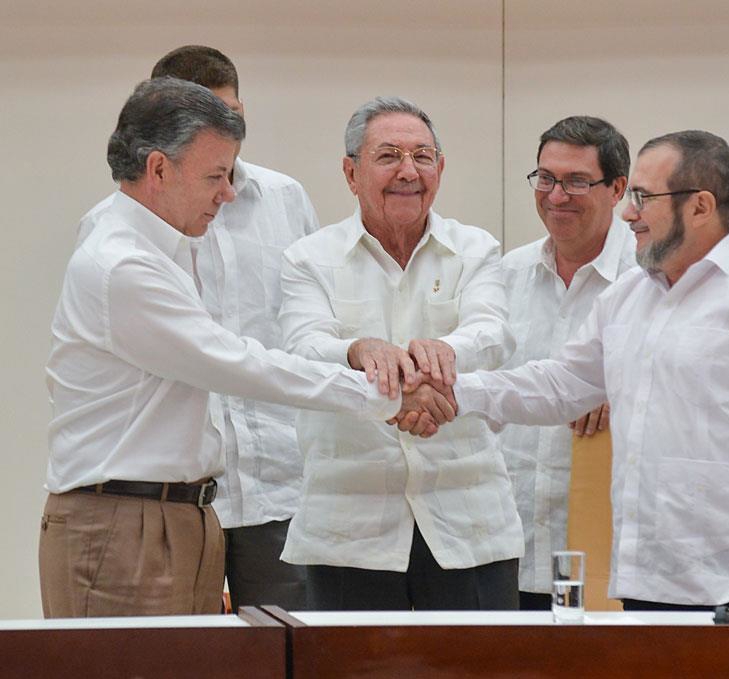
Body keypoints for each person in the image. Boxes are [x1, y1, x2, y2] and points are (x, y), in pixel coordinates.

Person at [41, 78, 436, 618]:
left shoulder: (166, 245)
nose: (228, 194)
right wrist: (389, 397)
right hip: (123, 521)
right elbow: (235, 363)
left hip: (179, 512)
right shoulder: (121, 262)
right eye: (216, 176)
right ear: (158, 169)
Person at [429, 130, 729, 612]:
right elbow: (558, 385)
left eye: (642, 197)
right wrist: (452, 391)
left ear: (700, 206)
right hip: (645, 581)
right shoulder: (626, 298)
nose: (628, 212)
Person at [78, 45, 319, 612]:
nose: (222, 133)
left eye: (231, 114)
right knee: (188, 658)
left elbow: (313, 322)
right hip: (176, 501)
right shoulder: (114, 230)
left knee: (293, 658)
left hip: (280, 488)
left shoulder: (285, 199)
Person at [277, 96, 523, 611]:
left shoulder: (476, 249)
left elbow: (494, 333)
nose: (408, 171)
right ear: (351, 173)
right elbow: (302, 349)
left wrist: (439, 355)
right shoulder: (308, 259)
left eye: (423, 156)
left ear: (441, 168)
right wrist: (358, 350)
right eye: (388, 156)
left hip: (468, 520)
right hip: (349, 528)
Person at [500, 115, 636, 610]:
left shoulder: (651, 281)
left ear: (618, 187)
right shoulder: (504, 275)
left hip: (609, 560)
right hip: (508, 547)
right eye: (546, 178)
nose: (556, 196)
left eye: (576, 181)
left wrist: (613, 389)